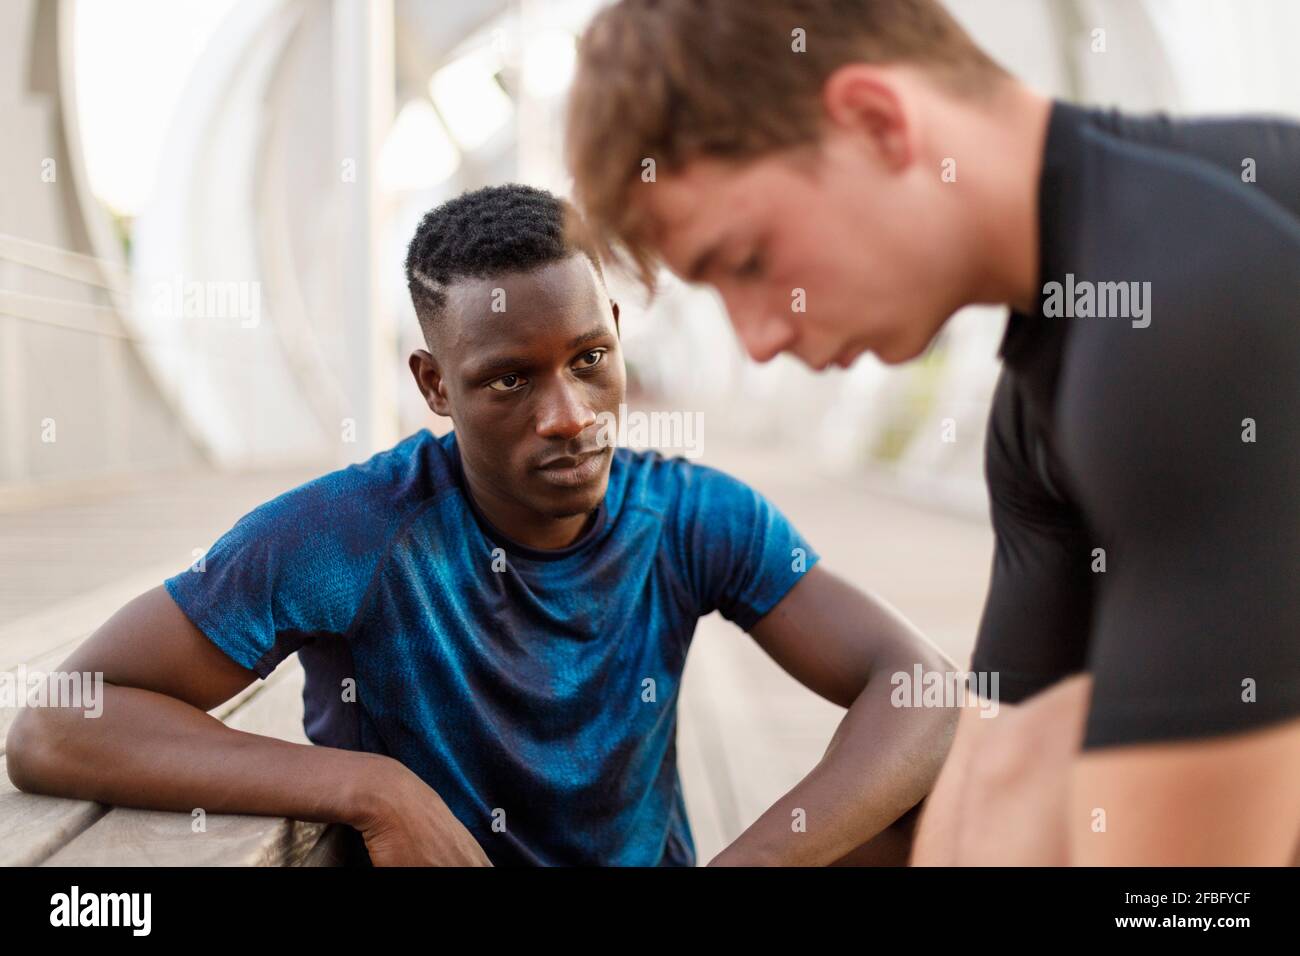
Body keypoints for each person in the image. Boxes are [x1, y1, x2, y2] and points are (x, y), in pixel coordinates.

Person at [6, 184, 954, 866]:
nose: (569, 415)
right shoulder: (348, 533)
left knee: (967, 798)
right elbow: (58, 723)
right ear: (434, 386)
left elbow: (919, 686)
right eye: (510, 379)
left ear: (617, 332)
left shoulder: (689, 512)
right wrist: (373, 789)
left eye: (590, 359)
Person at [564, 0, 1300, 864]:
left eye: (750, 262)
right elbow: (978, 778)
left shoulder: (1185, 313)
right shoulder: (1040, 403)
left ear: (878, 123)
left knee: (1043, 759)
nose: (760, 337)